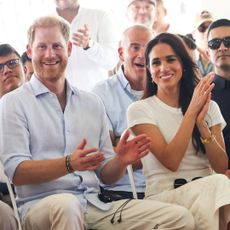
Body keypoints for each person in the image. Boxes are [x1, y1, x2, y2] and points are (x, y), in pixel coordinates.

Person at [0, 15, 196, 230]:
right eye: (42, 47)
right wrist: (69, 164)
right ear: (29, 51)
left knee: (179, 218)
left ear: (69, 49)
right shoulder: (13, 103)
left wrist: (121, 160)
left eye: (57, 46)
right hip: (39, 208)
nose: (50, 54)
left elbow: (106, 175)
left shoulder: (91, 102)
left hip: (95, 206)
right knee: (67, 205)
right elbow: (16, 172)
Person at [127, 32, 230, 230]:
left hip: (211, 189)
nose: (163, 68)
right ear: (149, 70)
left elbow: (220, 166)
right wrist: (191, 112)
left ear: (183, 64)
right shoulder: (139, 110)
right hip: (165, 198)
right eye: (156, 63)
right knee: (218, 185)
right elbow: (171, 161)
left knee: (218, 184)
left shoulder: (210, 107)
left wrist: (202, 125)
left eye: (170, 60)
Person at [93, 25, 152, 199]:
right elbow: (104, 157)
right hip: (123, 193)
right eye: (135, 47)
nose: (142, 54)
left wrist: (125, 145)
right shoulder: (100, 93)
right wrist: (156, 147)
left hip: (166, 185)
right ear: (121, 53)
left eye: (148, 48)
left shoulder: (165, 88)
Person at [54, 0, 118, 91]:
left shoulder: (101, 17)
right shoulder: (42, 23)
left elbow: (111, 62)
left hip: (95, 98)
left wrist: (90, 46)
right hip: (57, 100)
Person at [0, 43, 25, 229]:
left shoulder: (51, 103)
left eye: (12, 63)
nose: (6, 70)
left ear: (24, 68)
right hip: (6, 193)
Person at [207, 18, 230, 168]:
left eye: (228, 41)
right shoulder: (203, 94)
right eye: (214, 43)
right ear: (208, 52)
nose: (222, 47)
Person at [192, 10, 214, 77]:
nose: (207, 32)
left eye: (210, 28)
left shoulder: (224, 56)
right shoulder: (188, 58)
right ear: (194, 34)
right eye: (202, 28)